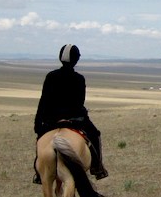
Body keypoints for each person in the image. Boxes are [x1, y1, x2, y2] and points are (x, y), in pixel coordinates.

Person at [33, 44, 108, 183]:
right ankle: (97, 168)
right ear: (76, 60)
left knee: (41, 140)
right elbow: (80, 102)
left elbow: (43, 100)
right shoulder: (79, 78)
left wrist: (38, 123)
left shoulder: (51, 76)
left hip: (51, 120)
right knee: (95, 134)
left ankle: (39, 173)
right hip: (75, 119)